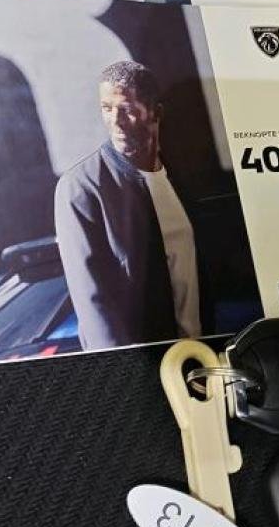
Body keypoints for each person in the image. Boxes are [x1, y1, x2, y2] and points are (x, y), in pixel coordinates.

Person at [54, 61, 200, 350]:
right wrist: (126, 369)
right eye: (107, 109)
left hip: (202, 352)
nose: (116, 121)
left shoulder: (183, 178)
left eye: (127, 109)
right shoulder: (82, 187)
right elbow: (93, 302)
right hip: (149, 363)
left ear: (155, 112)